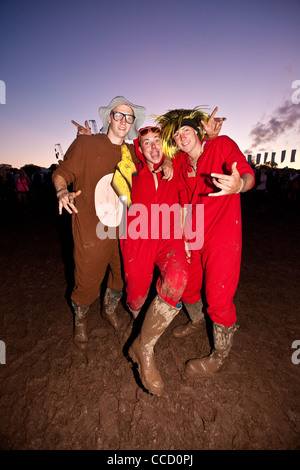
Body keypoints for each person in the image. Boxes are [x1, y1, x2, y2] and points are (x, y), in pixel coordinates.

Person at [156, 107, 255, 377]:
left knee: (218, 295)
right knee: (187, 284)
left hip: (223, 233)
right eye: (176, 135)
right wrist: (166, 159)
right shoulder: (180, 162)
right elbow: (159, 156)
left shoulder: (221, 145)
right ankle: (199, 320)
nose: (181, 137)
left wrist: (239, 185)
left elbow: (247, 175)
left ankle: (220, 355)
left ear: (197, 131)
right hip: (193, 233)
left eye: (186, 130)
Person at [52, 96, 147, 349]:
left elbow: (156, 161)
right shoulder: (86, 144)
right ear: (109, 117)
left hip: (123, 229)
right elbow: (61, 173)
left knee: (120, 275)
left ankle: (109, 310)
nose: (124, 120)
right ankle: (81, 320)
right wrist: (62, 192)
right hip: (91, 230)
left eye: (129, 117)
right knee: (86, 278)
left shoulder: (133, 154)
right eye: (119, 114)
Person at [119, 126, 189, 396]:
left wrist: (186, 238)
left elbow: (185, 199)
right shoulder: (131, 168)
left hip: (170, 235)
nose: (153, 146)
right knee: (136, 293)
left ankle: (144, 347)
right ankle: (138, 324)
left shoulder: (177, 162)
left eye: (156, 141)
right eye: (146, 142)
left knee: (178, 277)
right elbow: (114, 144)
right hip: (139, 236)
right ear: (139, 148)